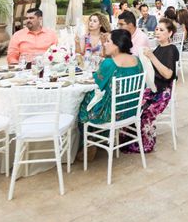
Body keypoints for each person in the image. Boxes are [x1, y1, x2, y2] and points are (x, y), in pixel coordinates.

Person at [126, 18, 179, 154]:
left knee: (146, 112)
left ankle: (146, 144)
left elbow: (168, 74)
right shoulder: (157, 49)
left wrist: (151, 57)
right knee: (131, 106)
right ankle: (131, 139)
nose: (157, 32)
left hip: (163, 92)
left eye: (161, 30)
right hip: (152, 88)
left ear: (170, 33)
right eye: (156, 29)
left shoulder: (171, 49)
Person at [77, 29, 143, 126]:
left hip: (112, 112)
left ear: (117, 44)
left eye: (108, 41)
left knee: (83, 101)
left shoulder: (110, 63)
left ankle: (90, 139)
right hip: (132, 109)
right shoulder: (137, 60)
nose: (104, 44)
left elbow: (97, 82)